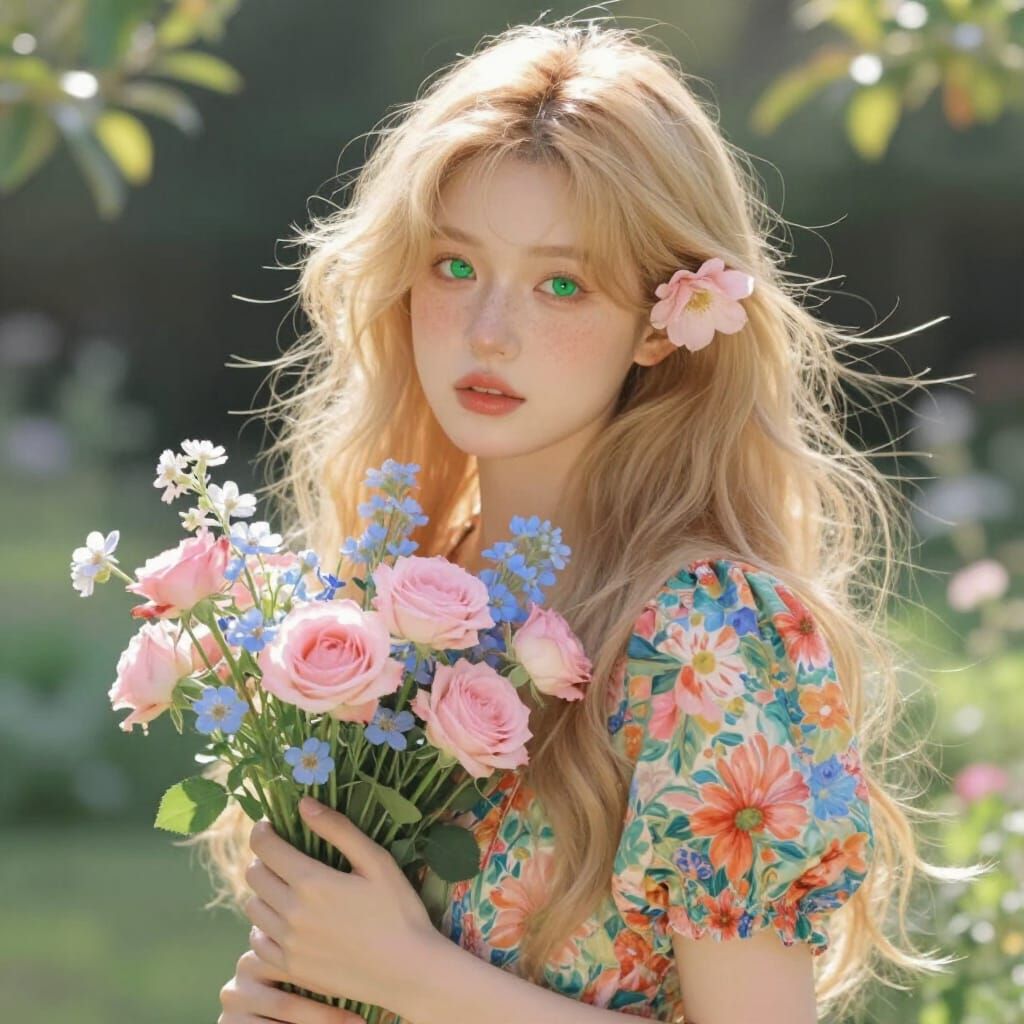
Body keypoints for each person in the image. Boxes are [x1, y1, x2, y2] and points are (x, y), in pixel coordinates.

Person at [197, 15, 974, 1024]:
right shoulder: (395, 606)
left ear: (662, 326)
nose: (489, 330)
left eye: (561, 284)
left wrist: (409, 979)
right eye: (454, 266)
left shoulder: (706, 635)